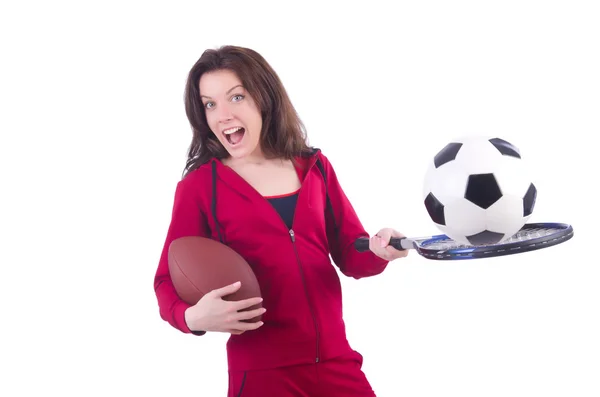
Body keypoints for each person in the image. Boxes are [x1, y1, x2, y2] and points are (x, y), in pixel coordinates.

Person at [153, 45, 409, 397]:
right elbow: (166, 279)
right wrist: (191, 318)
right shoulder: (200, 187)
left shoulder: (315, 167)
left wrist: (379, 251)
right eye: (210, 103)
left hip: (336, 362)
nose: (222, 115)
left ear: (264, 98)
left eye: (236, 97)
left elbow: (352, 252)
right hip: (262, 375)